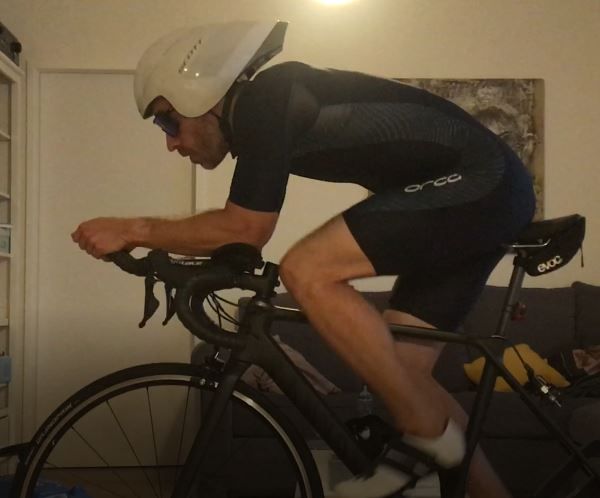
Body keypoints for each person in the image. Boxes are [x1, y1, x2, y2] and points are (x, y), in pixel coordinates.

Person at [72, 20, 535, 498]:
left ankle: (426, 440)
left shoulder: (264, 101)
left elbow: (245, 229)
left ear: (199, 97)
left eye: (168, 122)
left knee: (308, 270)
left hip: (482, 184)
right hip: (486, 192)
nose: (171, 142)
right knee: (405, 373)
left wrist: (133, 229)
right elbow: (238, 229)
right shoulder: (261, 112)